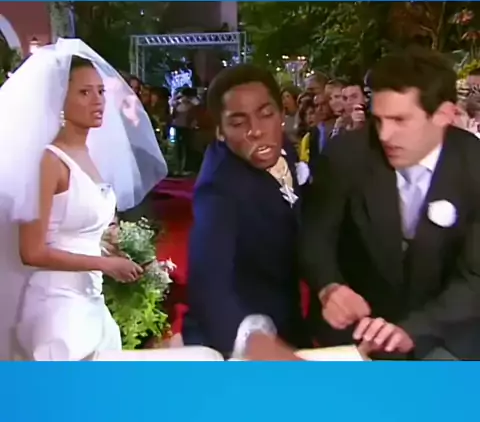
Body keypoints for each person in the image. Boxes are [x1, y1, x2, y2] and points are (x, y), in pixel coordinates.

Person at [0, 40, 221, 362]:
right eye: (84, 92)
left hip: (91, 299)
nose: (98, 101)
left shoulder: (90, 155)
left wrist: (113, 250)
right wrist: (104, 264)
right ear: (59, 100)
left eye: (101, 91)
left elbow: (78, 230)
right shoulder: (48, 162)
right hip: (57, 308)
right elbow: (32, 251)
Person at [301, 45, 480, 360]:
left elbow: (475, 278)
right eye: (378, 120)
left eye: (400, 119)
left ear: (444, 114)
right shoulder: (346, 155)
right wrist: (329, 286)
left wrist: (414, 330)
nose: (384, 135)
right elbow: (315, 236)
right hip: (358, 333)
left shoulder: (474, 167)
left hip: (447, 334)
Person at [184, 64, 312, 356]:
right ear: (220, 132)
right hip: (237, 339)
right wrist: (252, 342)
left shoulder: (284, 149)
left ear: (281, 114)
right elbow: (208, 282)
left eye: (266, 114)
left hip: (289, 322)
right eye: (238, 122)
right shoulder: (218, 188)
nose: (256, 130)